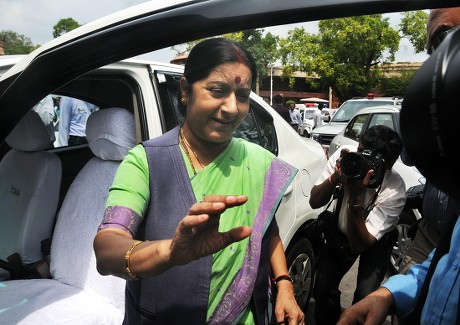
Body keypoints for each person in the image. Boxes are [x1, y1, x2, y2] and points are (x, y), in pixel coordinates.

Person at [93, 38, 304, 325]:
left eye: (242, 96)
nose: (231, 108)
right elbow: (107, 247)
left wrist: (284, 284)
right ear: (185, 91)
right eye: (217, 91)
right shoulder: (145, 161)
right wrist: (168, 252)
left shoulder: (257, 161)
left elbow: (267, 230)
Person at [337, 8, 460, 325]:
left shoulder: (394, 190)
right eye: (441, 42)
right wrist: (390, 295)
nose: (450, 54)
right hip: (432, 234)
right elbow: (448, 264)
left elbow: (361, 243)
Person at [310, 125, 406, 325]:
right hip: (341, 230)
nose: (362, 161)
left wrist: (355, 197)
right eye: (362, 152)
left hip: (375, 240)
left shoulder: (395, 188)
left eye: (372, 160)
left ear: (389, 164)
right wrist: (336, 177)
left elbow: (360, 244)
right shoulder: (347, 159)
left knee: (365, 296)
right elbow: (315, 201)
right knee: (322, 287)